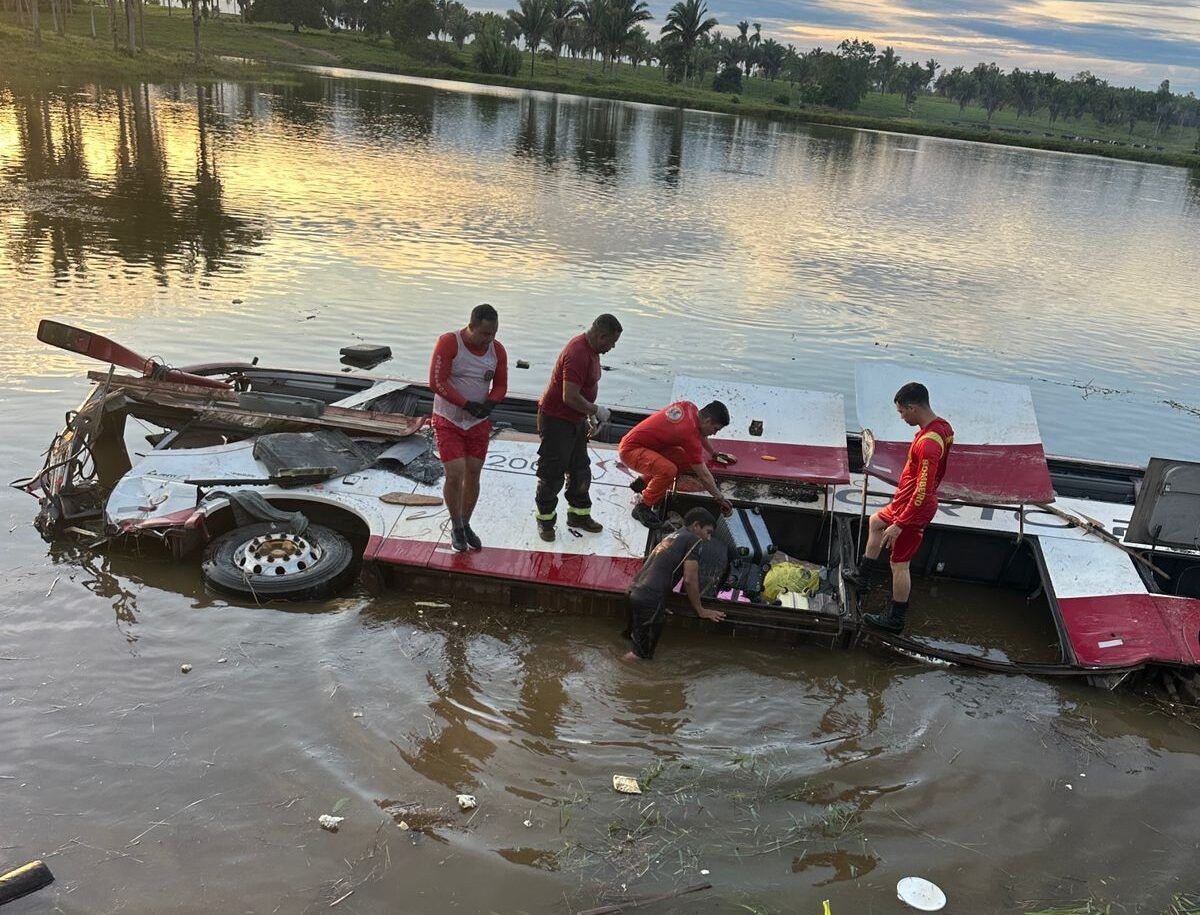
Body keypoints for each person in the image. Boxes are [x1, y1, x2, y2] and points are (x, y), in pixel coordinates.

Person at [845, 381, 954, 633]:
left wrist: (901, 524)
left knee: (899, 564)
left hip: (915, 507)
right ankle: (863, 578)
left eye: (902, 412)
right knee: (875, 522)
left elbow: (924, 490)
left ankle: (895, 618)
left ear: (913, 408)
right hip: (904, 500)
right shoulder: (942, 427)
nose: (902, 417)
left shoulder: (929, 444)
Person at [534, 314, 623, 543]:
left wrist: (587, 417)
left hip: (575, 419)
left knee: (580, 470)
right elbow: (569, 396)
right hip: (556, 420)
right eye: (611, 342)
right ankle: (545, 521)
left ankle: (578, 516)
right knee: (552, 475)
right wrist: (595, 410)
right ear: (601, 335)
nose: (612, 347)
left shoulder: (593, 351)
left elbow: (584, 390)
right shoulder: (577, 353)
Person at [429, 303, 508, 553]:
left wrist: (491, 403)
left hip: (477, 422)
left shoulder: (497, 351)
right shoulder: (449, 343)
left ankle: (465, 523)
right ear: (471, 326)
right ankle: (455, 525)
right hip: (448, 419)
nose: (489, 339)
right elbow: (436, 382)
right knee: (456, 473)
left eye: (493, 334)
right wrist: (464, 403)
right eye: (485, 334)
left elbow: (501, 384)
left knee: (473, 472)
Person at [624, 507, 727, 661]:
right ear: (696, 526)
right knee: (640, 657)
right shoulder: (694, 540)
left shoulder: (672, 536)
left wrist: (661, 602)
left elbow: (659, 567)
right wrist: (701, 610)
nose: (708, 538)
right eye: (708, 532)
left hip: (634, 592)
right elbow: (689, 579)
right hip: (650, 598)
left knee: (634, 644)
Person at [618, 399, 736, 529]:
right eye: (715, 429)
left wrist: (714, 454)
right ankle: (643, 506)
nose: (714, 433)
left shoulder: (690, 408)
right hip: (631, 452)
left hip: (645, 447)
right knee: (668, 470)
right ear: (707, 421)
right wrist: (720, 498)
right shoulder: (688, 433)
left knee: (685, 459)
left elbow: (700, 435)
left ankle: (643, 482)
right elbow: (703, 475)